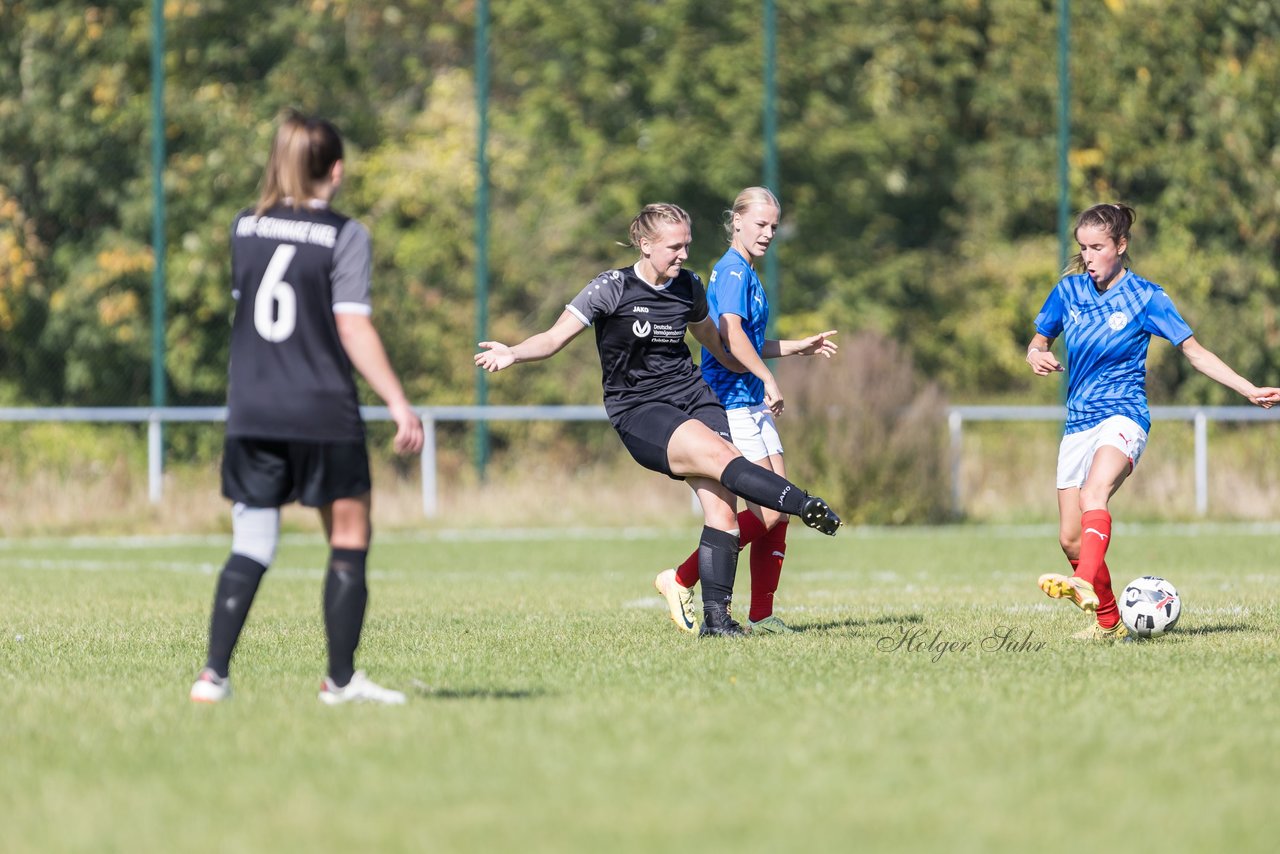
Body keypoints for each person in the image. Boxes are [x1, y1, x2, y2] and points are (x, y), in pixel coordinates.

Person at [474, 203, 843, 638]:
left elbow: (721, 346)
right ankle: (801, 504)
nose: (684, 254)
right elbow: (554, 338)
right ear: (645, 245)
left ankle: (719, 622)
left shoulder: (689, 287)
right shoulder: (610, 288)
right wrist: (513, 352)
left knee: (722, 511)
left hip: (695, 398)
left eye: (687, 244)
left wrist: (767, 368)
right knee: (720, 456)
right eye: (674, 246)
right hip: (641, 410)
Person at [190, 111, 424, 704]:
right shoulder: (346, 235)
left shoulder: (245, 226)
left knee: (252, 542)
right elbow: (352, 327)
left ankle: (213, 676)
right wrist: (399, 402)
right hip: (322, 410)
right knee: (348, 535)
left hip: (252, 410)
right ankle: (340, 681)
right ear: (337, 168)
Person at [1026, 203, 1278, 640]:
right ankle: (1109, 623)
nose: (1088, 256)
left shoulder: (1147, 297)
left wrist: (1247, 388)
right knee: (1069, 538)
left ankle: (1083, 580)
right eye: (1083, 248)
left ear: (1120, 246)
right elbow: (1039, 338)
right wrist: (1036, 353)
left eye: (1098, 247)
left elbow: (1194, 352)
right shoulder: (1068, 292)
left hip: (1124, 413)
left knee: (1095, 492)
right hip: (1078, 421)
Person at [653, 187, 837, 635]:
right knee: (772, 510)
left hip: (751, 401)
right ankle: (679, 578)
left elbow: (750, 343)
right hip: (730, 402)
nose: (768, 233)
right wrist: (770, 378)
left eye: (774, 226)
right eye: (760, 224)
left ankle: (762, 614)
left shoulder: (748, 272)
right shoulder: (731, 271)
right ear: (735, 222)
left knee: (780, 508)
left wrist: (797, 348)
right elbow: (731, 337)